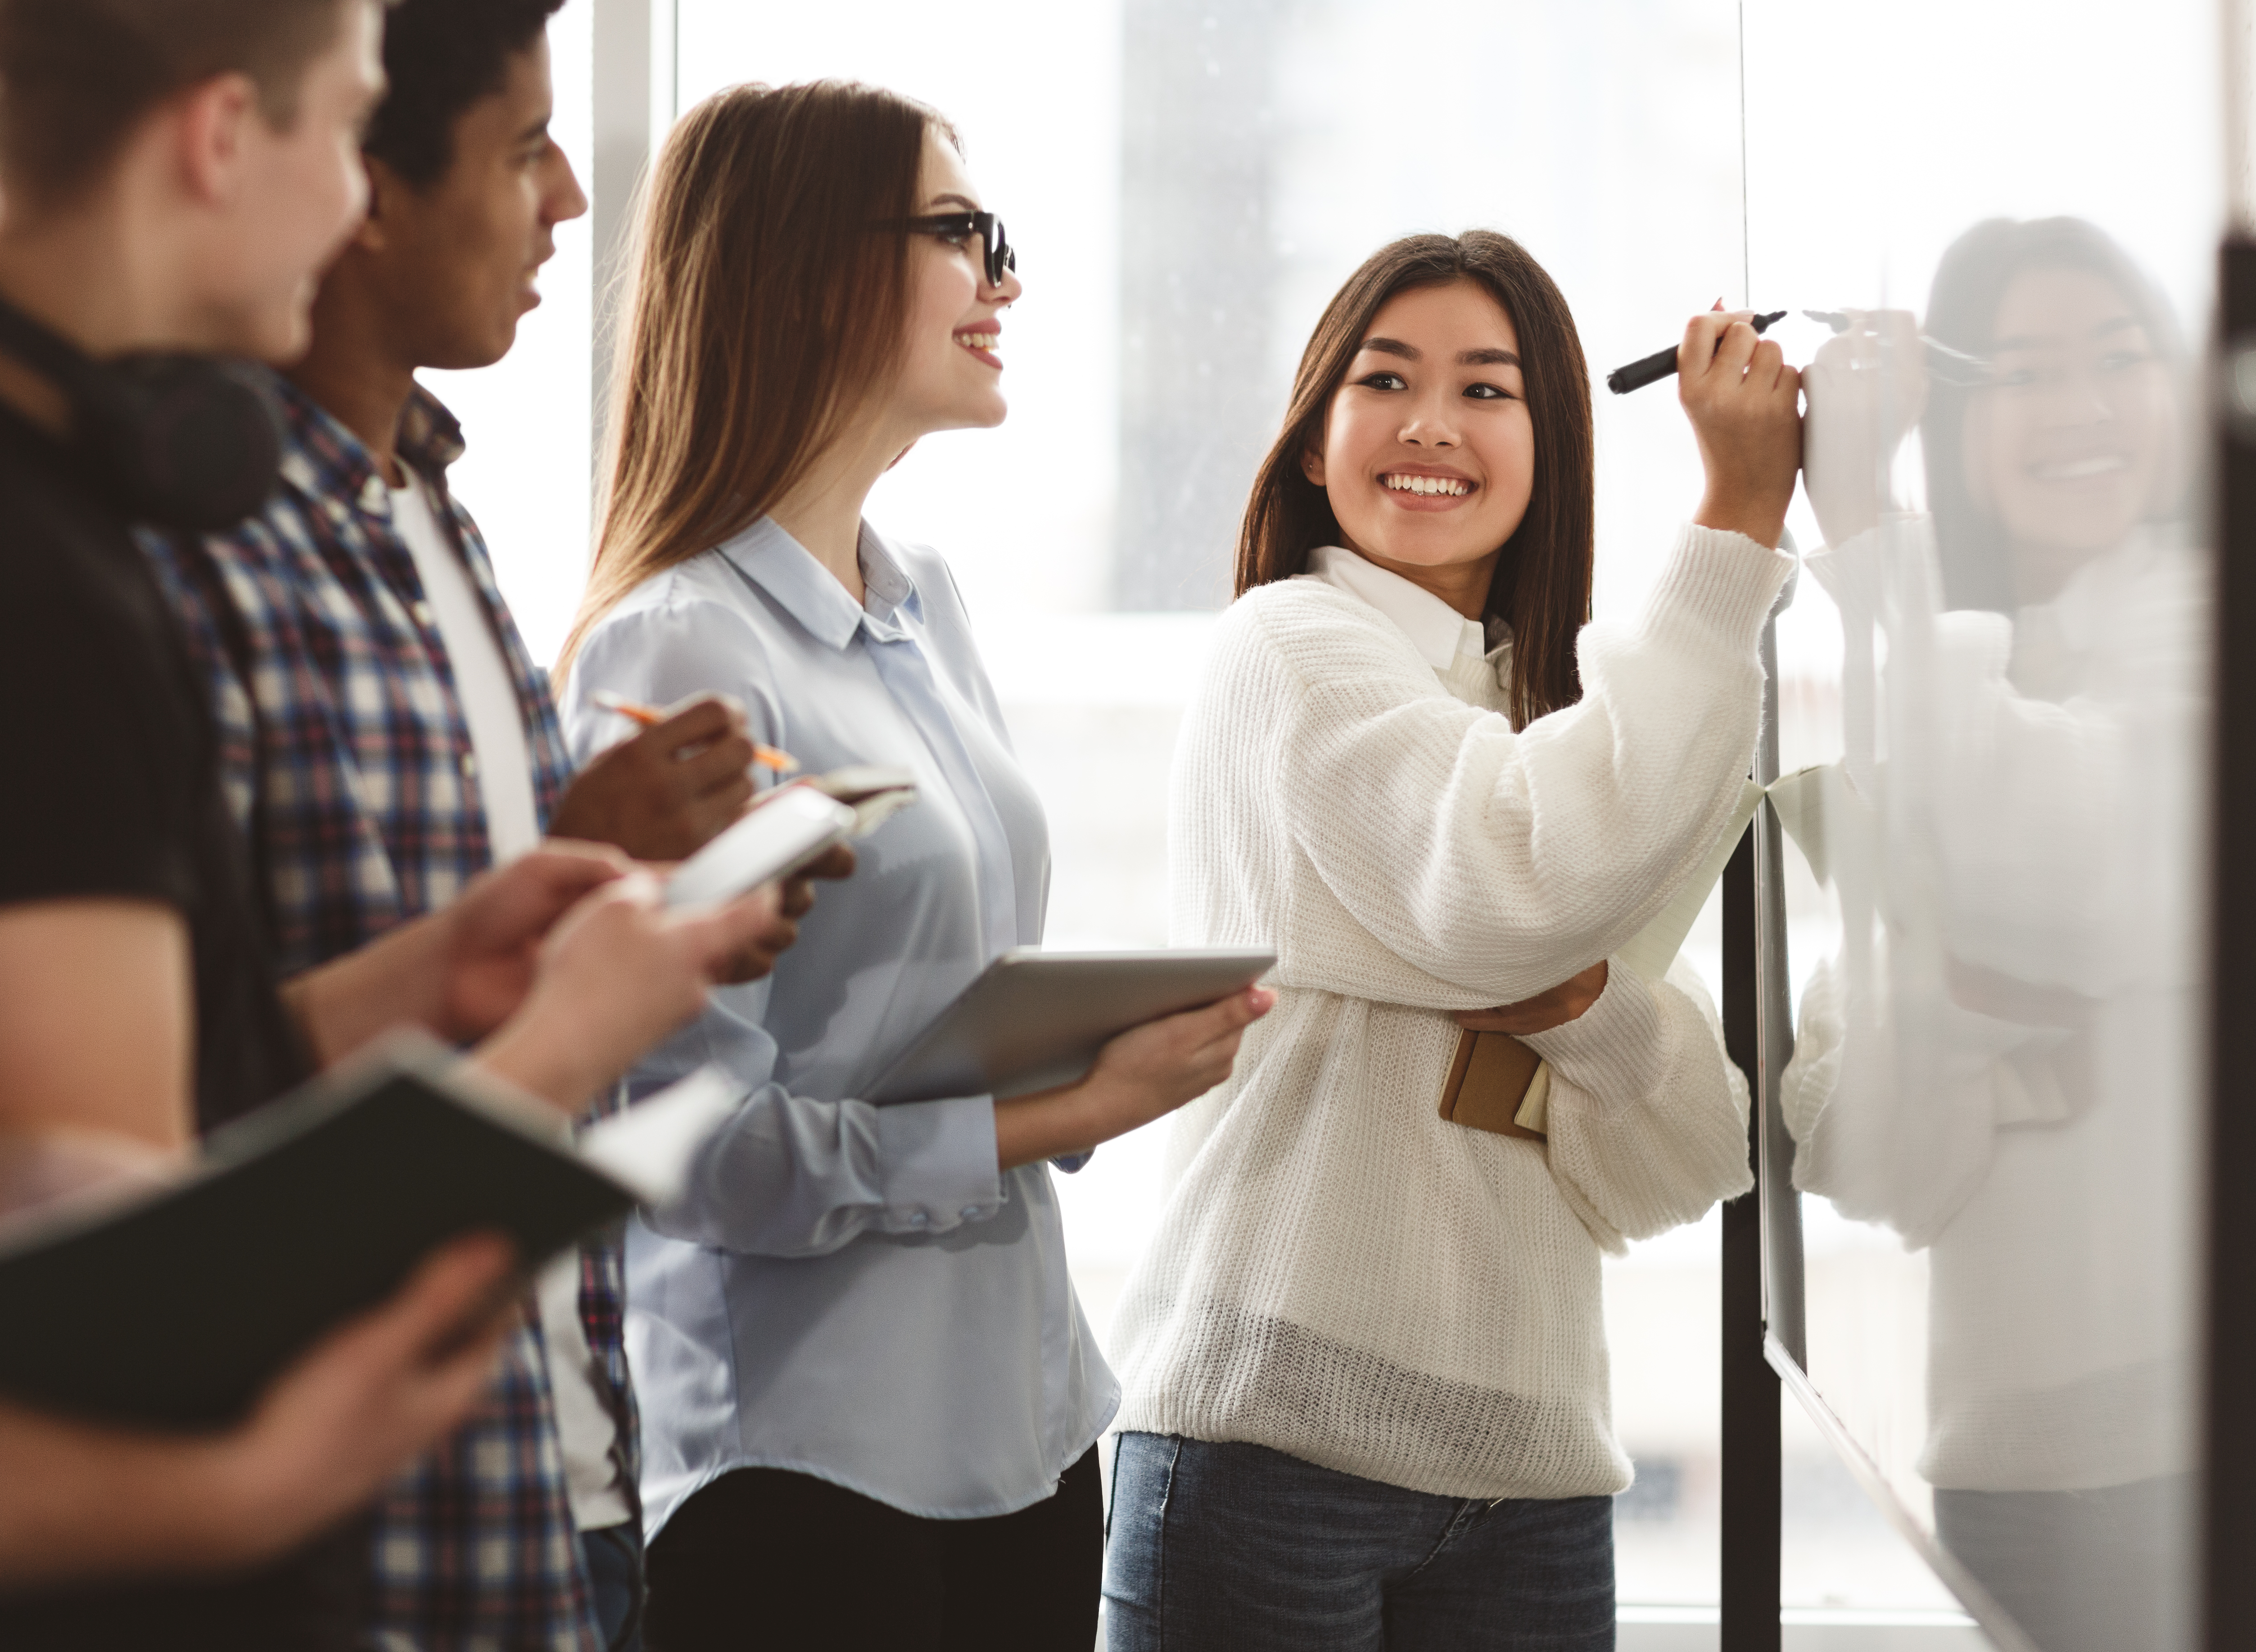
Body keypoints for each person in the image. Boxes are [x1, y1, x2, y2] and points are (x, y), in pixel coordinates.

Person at [0, 0, 779, 1646]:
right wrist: (556, 1045)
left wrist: (428, 981)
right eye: (341, 126)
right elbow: (123, 1274)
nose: (349, 200)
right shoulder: (2, 564)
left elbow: (133, 1106)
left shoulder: (10, 507)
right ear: (225, 137)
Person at [140, 0, 830, 1643]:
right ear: (356, 178)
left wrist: (625, 876)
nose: (569, 208)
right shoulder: (193, 550)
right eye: (527, 150)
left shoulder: (435, 497)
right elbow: (198, 1096)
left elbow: (471, 930)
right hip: (360, 1526)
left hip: (567, 1468)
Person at [555, 79, 1273, 1652]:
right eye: (965, 235)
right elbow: (684, 1150)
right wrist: (1054, 1112)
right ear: (816, 269)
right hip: (804, 1477)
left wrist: (1087, 1052)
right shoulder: (678, 645)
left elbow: (933, 1000)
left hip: (1025, 1431)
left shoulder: (924, 598)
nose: (1004, 281)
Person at [1098, 232, 1803, 1651]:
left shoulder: (1547, 721)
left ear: (1550, 446)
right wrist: (1736, 518)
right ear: (1314, 441)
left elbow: (1686, 1157)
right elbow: (1513, 891)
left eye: (1487, 391)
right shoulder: (1289, 650)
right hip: (1268, 1447)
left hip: (1533, 1474)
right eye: (1386, 380)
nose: (1430, 425)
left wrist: (1585, 1004)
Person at [1783, 218, 2202, 1652]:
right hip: (2005, 1458)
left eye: (2117, 359)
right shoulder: (1971, 667)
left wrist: (1862, 530)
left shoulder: (2207, 615)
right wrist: (1978, 1008)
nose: (2082, 410)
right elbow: (1867, 1152)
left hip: (2190, 1446)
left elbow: (2079, 869)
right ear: (1954, 421)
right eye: (2022, 373)